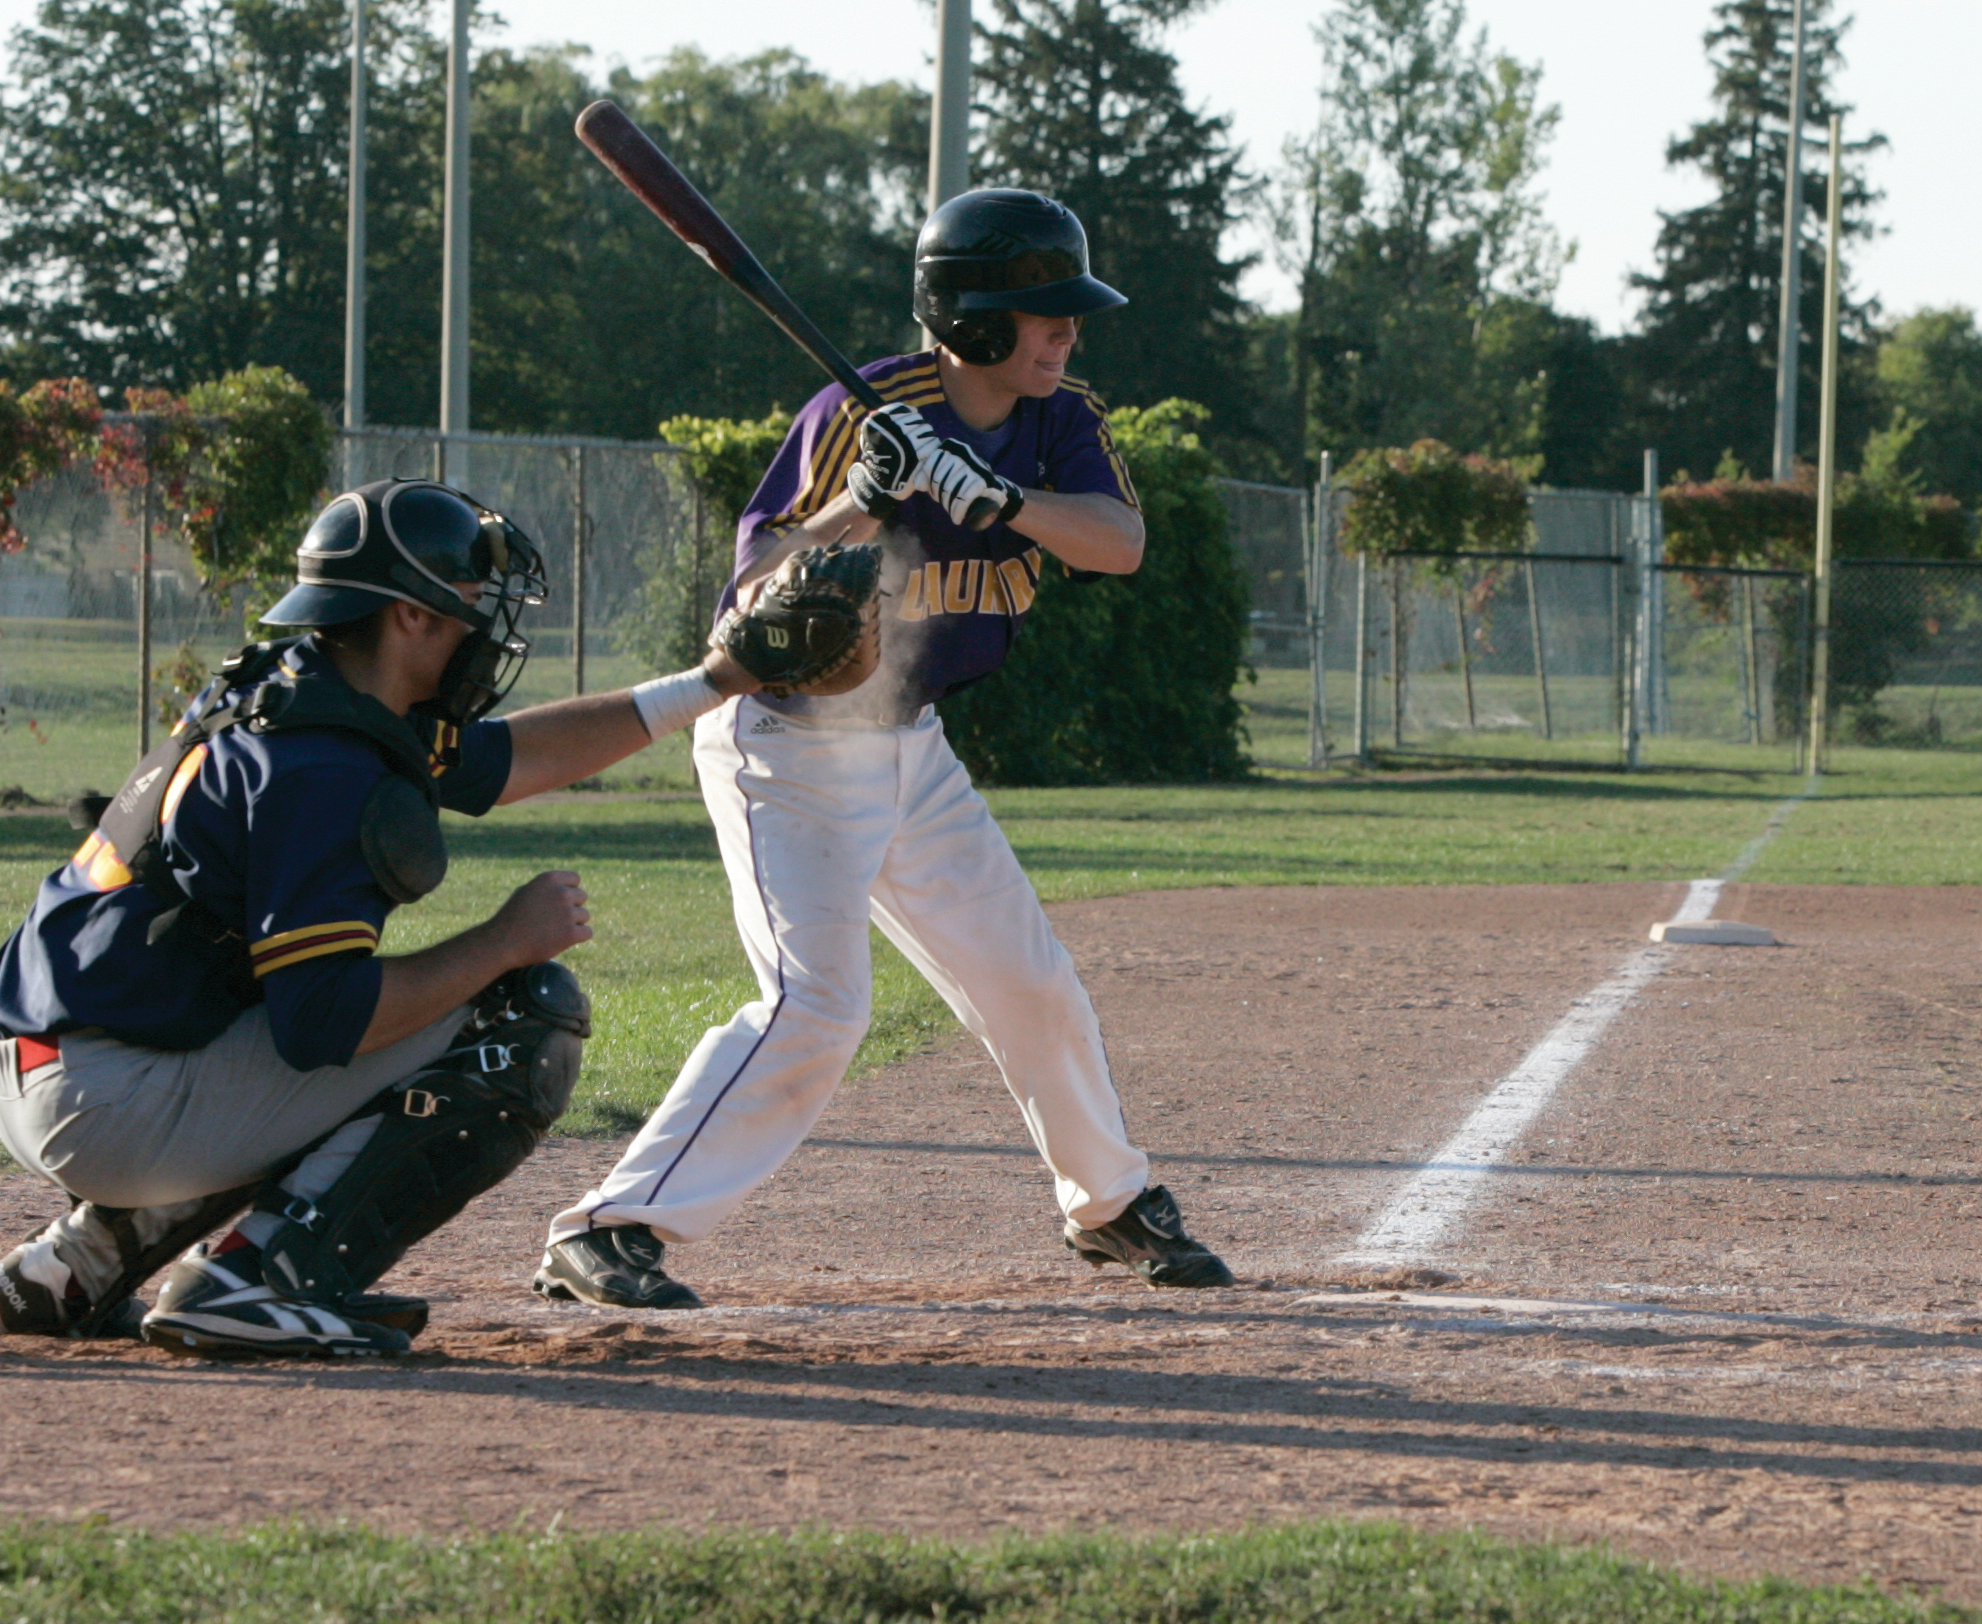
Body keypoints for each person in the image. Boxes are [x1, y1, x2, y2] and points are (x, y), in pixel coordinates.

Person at [534, 188, 1233, 1311]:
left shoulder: (1061, 419)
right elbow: (754, 588)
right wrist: (864, 499)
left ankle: (1108, 1205)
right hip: (787, 742)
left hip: (909, 738)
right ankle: (611, 1224)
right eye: (1045, 313)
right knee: (819, 1004)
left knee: (1028, 979)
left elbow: (1122, 542)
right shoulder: (861, 412)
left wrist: (1004, 499)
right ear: (973, 320)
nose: (1067, 332)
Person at [0, 479, 873, 1357]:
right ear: (406, 619)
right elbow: (323, 1023)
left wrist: (718, 680)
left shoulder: (298, 688)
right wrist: (504, 939)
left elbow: (511, 757)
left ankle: (76, 1265)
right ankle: (253, 1280)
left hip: (62, 1064)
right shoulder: (323, 771)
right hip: (111, 1096)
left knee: (333, 1017)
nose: (482, 628)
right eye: (464, 604)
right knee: (520, 1012)